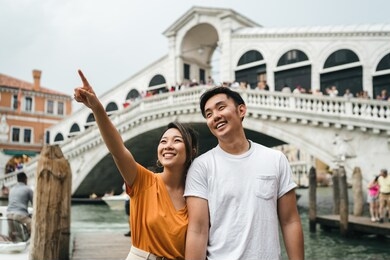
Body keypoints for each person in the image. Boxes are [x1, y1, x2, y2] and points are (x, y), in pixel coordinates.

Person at [73, 70, 198, 260]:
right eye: (163, 141)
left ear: (191, 152)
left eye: (176, 141)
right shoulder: (143, 181)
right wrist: (97, 108)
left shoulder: (196, 196)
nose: (168, 146)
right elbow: (118, 150)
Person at [184, 86, 304, 260]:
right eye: (208, 114)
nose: (215, 116)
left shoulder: (276, 159)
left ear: (241, 110)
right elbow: (198, 231)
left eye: (221, 107)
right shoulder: (201, 166)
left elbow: (290, 221)